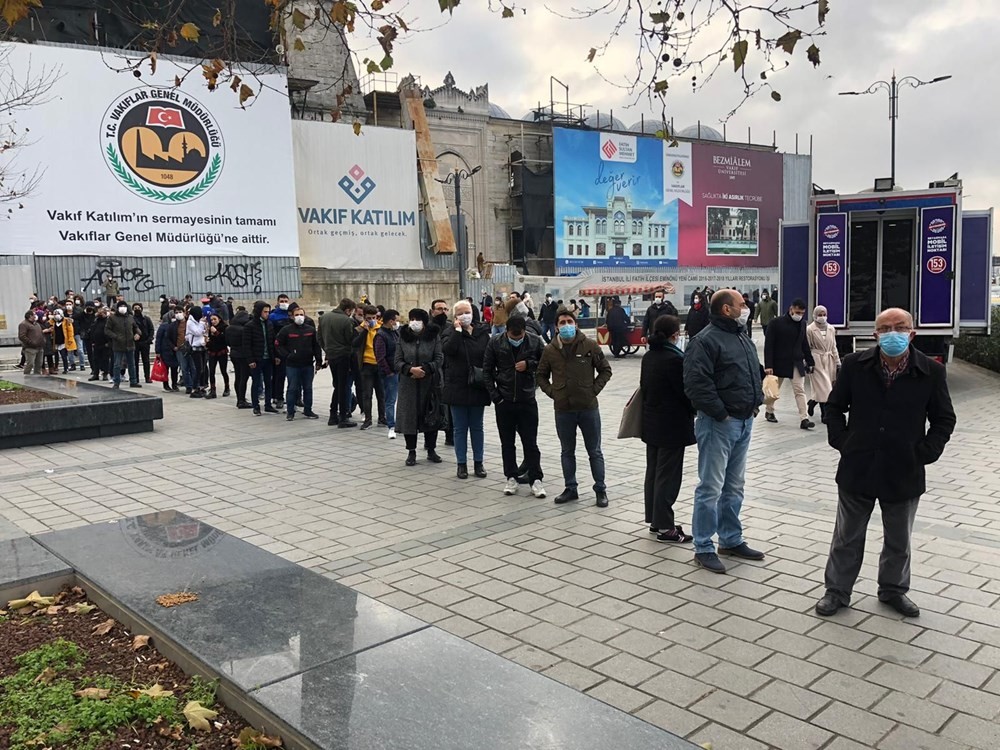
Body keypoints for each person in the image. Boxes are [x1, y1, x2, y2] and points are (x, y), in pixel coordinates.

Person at [816, 308, 956, 619]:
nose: (893, 333)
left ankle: (893, 590)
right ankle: (837, 590)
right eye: (885, 328)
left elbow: (944, 418)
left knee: (899, 538)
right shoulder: (855, 365)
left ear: (912, 333)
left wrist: (925, 453)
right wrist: (843, 442)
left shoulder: (930, 372)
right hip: (858, 466)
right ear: (876, 335)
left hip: (903, 468)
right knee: (847, 536)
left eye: (900, 327)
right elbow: (834, 407)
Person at [682, 289, 764, 573]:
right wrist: (721, 413)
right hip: (719, 423)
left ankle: (730, 539)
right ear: (726, 309)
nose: (747, 308)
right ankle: (703, 546)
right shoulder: (704, 341)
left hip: (744, 420)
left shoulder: (741, 335)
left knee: (734, 486)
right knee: (710, 488)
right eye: (742, 304)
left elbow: (753, 371)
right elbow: (696, 385)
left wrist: (757, 404)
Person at [536, 307, 613, 507]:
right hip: (563, 409)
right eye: (562, 323)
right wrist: (553, 392)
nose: (567, 326)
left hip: (588, 408)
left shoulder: (589, 345)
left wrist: (593, 390)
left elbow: (605, 370)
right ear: (556, 327)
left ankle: (600, 489)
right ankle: (571, 488)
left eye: (569, 322)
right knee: (566, 451)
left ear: (576, 324)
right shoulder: (550, 350)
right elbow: (540, 375)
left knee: (594, 451)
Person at [642, 315, 696, 542]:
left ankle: (656, 520)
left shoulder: (649, 356)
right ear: (675, 334)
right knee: (668, 476)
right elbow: (685, 394)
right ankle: (665, 526)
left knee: (654, 473)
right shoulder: (674, 360)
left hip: (652, 423)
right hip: (672, 426)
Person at [484, 314, 545, 498]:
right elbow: (486, 371)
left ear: (525, 332)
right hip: (504, 400)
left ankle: (536, 479)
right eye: (513, 337)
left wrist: (529, 364)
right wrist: (496, 397)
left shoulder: (535, 341)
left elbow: (545, 365)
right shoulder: (495, 342)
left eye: (519, 337)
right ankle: (511, 476)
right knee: (507, 443)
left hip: (527, 399)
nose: (516, 340)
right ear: (507, 331)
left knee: (530, 442)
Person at [441, 299, 492, 479]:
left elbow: (489, 356)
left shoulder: (482, 332)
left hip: (478, 385)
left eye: (467, 311)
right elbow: (449, 350)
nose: (465, 316)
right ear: (455, 317)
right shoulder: (449, 333)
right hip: (457, 386)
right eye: (460, 313)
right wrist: (457, 331)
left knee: (477, 427)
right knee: (460, 428)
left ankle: (479, 463)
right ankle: (461, 464)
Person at [394, 308, 444, 466]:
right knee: (409, 417)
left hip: (429, 382)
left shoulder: (433, 336)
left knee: (430, 415)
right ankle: (411, 451)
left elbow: (439, 357)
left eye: (417, 319)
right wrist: (409, 370)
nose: (414, 322)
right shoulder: (403, 336)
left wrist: (426, 369)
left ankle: (431, 449)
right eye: (412, 318)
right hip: (408, 384)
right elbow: (397, 360)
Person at [763, 298, 816, 430]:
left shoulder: (803, 324)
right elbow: (768, 345)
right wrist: (768, 365)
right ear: (791, 309)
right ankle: (769, 411)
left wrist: (810, 361)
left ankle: (804, 419)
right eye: (797, 312)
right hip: (778, 362)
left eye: (802, 313)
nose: (799, 315)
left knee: (800, 390)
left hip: (796, 362)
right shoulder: (776, 323)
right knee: (774, 390)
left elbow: (805, 344)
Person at [276, 307, 322, 421]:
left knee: (308, 388)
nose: (299, 317)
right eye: (296, 315)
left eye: (301, 314)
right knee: (292, 388)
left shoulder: (311, 330)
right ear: (292, 316)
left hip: (307, 364)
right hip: (292, 365)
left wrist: (319, 361)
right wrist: (287, 354)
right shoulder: (286, 330)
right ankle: (290, 412)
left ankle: (308, 410)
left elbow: (316, 346)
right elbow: (278, 344)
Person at [319, 298, 358, 428]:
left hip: (331, 355)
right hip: (343, 356)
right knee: (342, 386)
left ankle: (332, 415)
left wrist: (327, 350)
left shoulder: (324, 317)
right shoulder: (347, 321)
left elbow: (319, 337)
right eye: (351, 311)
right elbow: (350, 339)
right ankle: (342, 417)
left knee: (337, 385)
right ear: (347, 310)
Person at [805, 305, 840, 424]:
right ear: (814, 315)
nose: (822, 317)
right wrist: (808, 362)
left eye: (824, 314)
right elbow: (807, 348)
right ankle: (824, 415)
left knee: (825, 389)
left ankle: (813, 402)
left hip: (829, 359)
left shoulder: (831, 328)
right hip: (816, 360)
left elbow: (834, 346)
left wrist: (838, 362)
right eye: (820, 314)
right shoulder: (810, 329)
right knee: (825, 388)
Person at [354, 304, 385, 430]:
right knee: (367, 394)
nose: (372, 320)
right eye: (369, 318)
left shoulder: (381, 328)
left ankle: (382, 418)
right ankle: (368, 419)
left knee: (381, 393)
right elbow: (355, 344)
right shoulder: (359, 329)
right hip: (366, 364)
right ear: (364, 318)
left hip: (380, 364)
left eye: (374, 317)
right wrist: (365, 331)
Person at [245, 301, 278, 416]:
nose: (267, 314)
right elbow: (247, 345)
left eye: (268, 312)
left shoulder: (269, 324)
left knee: (269, 382)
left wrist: (275, 356)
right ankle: (256, 406)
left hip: (268, 358)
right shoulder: (250, 326)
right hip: (257, 359)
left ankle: (268, 405)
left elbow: (273, 341)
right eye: (265, 312)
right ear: (259, 312)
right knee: (256, 382)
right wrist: (250, 360)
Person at [374, 309, 401, 439]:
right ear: (391, 321)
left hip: (399, 370)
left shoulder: (394, 333)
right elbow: (380, 357)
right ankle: (391, 425)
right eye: (396, 320)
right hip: (390, 373)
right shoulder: (380, 335)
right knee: (390, 400)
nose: (397, 323)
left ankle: (400, 424)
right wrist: (388, 371)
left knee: (400, 398)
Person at [105, 301, 140, 389]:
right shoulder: (112, 318)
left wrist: (138, 333)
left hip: (130, 344)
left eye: (124, 306)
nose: (123, 308)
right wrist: (116, 337)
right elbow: (107, 330)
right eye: (121, 306)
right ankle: (116, 382)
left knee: (132, 364)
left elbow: (136, 327)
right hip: (118, 345)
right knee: (117, 364)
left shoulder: (130, 317)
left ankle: (133, 381)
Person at [270, 293, 292, 409]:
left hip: (291, 350)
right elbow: (272, 337)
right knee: (279, 375)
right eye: (282, 301)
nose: (284, 303)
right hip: (279, 350)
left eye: (285, 301)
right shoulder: (273, 316)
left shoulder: (291, 315)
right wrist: (275, 353)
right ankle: (278, 397)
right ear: (278, 302)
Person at [226, 307, 251, 408]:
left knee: (238, 377)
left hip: (233, 354)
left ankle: (239, 398)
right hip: (243, 355)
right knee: (243, 378)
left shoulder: (229, 328)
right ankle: (241, 400)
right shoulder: (244, 329)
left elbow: (227, 342)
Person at [205, 313, 230, 399]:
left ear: (219, 319)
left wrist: (216, 332)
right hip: (212, 352)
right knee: (211, 371)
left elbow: (224, 339)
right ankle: (213, 390)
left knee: (223, 371)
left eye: (215, 319)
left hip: (221, 352)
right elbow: (210, 340)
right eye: (211, 320)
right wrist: (207, 343)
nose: (213, 321)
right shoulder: (210, 328)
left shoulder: (225, 327)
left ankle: (227, 387)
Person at [154, 311, 180, 392]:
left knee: (175, 369)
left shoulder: (178, 325)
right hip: (165, 351)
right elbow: (158, 339)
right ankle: (166, 385)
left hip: (175, 350)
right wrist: (157, 351)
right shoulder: (163, 326)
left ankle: (174, 384)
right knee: (165, 369)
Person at [131, 303, 155, 384]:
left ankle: (147, 377)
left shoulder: (146, 319)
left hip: (145, 342)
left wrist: (149, 339)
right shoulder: (131, 319)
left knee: (146, 361)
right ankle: (136, 378)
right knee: (135, 361)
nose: (137, 309)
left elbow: (151, 329)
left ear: (141, 309)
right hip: (135, 343)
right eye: (135, 308)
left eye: (138, 307)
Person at [49, 306, 77, 373]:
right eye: (55, 314)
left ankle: (65, 368)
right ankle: (55, 367)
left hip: (63, 341)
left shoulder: (66, 321)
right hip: (55, 341)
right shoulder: (52, 322)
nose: (56, 316)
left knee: (64, 356)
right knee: (56, 356)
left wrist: (70, 339)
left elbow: (70, 331)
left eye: (58, 314)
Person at [18, 310, 45, 376]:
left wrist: (43, 340)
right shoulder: (23, 324)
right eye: (34, 314)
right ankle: (26, 376)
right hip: (30, 348)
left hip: (40, 347)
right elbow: (22, 336)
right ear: (30, 316)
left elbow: (41, 333)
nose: (35, 316)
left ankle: (37, 377)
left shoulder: (36, 324)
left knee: (39, 364)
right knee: (30, 364)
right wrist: (30, 342)